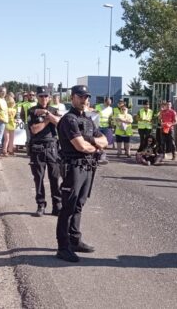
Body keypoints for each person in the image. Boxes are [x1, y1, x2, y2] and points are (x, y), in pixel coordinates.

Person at [55, 85, 107, 262]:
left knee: (79, 204)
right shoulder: (69, 120)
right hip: (73, 167)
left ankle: (74, 239)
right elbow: (80, 146)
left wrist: (91, 141)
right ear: (73, 98)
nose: (84, 100)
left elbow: (106, 140)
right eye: (80, 96)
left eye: (86, 97)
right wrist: (94, 146)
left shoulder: (88, 120)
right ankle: (63, 247)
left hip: (87, 166)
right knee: (68, 206)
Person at [27, 86, 63, 216]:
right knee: (39, 178)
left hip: (52, 147)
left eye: (46, 96)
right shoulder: (32, 111)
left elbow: (59, 123)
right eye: (41, 96)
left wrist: (47, 115)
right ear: (37, 97)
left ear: (49, 97)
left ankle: (57, 205)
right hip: (37, 147)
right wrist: (48, 120)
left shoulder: (53, 110)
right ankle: (40, 205)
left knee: (54, 178)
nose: (44, 98)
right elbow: (34, 129)